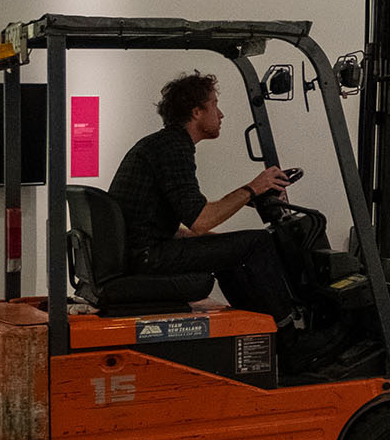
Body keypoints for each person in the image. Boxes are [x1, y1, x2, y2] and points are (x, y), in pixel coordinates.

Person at [108, 71, 308, 357]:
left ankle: (256, 330)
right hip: (147, 256)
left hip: (142, 250)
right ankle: (289, 338)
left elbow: (156, 218)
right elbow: (201, 220)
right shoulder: (174, 148)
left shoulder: (161, 145)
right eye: (215, 104)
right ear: (197, 112)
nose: (221, 113)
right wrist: (253, 188)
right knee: (258, 242)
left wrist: (210, 237)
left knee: (233, 251)